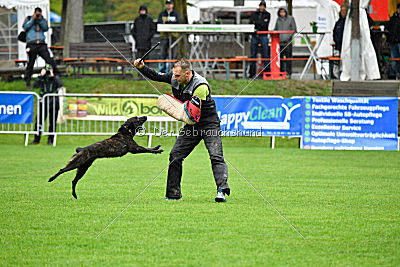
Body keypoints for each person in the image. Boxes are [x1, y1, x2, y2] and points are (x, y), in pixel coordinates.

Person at [133, 58, 230, 202]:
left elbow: (193, 112)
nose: (174, 78)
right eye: (174, 75)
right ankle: (173, 194)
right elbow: (156, 76)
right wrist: (142, 68)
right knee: (175, 155)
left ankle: (221, 190)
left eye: (178, 76)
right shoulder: (175, 78)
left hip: (209, 123)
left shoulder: (201, 86)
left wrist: (178, 110)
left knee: (216, 156)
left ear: (188, 74)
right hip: (192, 125)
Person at [23, 7, 59, 90]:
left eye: (39, 13)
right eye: (37, 13)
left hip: (41, 44)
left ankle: (54, 76)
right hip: (32, 43)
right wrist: (33, 19)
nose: (38, 14)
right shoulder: (28, 18)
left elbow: (46, 28)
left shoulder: (42, 20)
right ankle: (28, 81)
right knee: (31, 63)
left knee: (49, 60)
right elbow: (25, 27)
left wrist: (40, 20)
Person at [31, 64, 63, 145]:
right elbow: (34, 85)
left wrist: (53, 76)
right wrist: (41, 76)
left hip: (54, 103)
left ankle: (50, 140)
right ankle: (36, 139)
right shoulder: (42, 79)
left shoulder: (55, 78)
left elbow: (60, 84)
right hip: (43, 102)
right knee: (39, 121)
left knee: (52, 122)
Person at [249, 1, 271, 79]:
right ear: (259, 6)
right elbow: (251, 22)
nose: (262, 7)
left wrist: (257, 23)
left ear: (265, 7)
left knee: (266, 54)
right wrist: (261, 23)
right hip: (255, 35)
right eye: (261, 6)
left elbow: (265, 25)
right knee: (253, 54)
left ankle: (268, 73)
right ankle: (251, 73)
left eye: (263, 6)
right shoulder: (254, 14)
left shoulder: (267, 14)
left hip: (263, 35)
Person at [157, 0, 180, 73]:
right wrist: (171, 22)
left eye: (170, 4)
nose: (168, 5)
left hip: (174, 36)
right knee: (162, 53)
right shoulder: (161, 14)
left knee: (174, 54)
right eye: (167, 4)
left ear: (172, 5)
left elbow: (178, 22)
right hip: (164, 36)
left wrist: (167, 22)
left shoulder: (176, 14)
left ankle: (173, 70)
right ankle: (162, 70)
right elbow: (159, 22)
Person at [274, 6, 297, 79]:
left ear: (286, 12)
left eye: (283, 12)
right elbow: (275, 29)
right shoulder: (278, 20)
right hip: (280, 42)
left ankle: (289, 73)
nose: (282, 13)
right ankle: (281, 72)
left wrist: (288, 37)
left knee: (288, 58)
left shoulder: (291, 19)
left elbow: (294, 29)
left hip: (288, 42)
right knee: (279, 59)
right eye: (281, 12)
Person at [387, 4, 400, 79]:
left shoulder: (393, 18)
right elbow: (390, 28)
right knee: (393, 58)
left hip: (396, 40)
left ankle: (395, 73)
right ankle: (393, 73)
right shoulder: (393, 18)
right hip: (393, 41)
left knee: (394, 57)